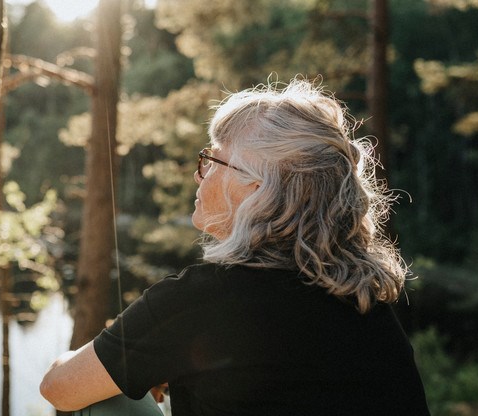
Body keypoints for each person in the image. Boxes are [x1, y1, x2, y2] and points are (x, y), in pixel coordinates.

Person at [40, 78, 430, 415]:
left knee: (100, 400)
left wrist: (79, 362)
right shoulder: (367, 306)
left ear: (258, 190)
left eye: (212, 159)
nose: (200, 175)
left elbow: (59, 387)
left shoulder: (201, 299)